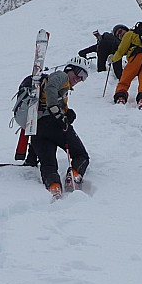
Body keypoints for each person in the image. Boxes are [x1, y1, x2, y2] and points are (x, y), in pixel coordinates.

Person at [23, 56, 91, 198]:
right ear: (69, 69)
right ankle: (74, 174)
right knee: (81, 155)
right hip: (54, 124)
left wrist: (31, 158)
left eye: (83, 77)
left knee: (48, 165)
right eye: (79, 73)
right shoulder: (61, 76)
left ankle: (54, 186)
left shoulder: (64, 87)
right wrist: (59, 114)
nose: (79, 78)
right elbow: (51, 89)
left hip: (38, 128)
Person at [111, 24, 142, 107]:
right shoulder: (141, 37)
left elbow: (120, 51)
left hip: (136, 58)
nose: (120, 35)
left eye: (120, 31)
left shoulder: (129, 34)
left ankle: (120, 97)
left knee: (124, 81)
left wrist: (113, 59)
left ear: (126, 29)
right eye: (118, 35)